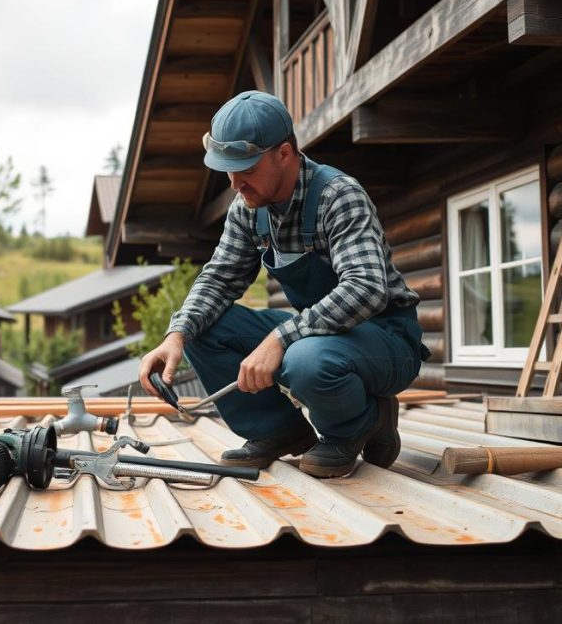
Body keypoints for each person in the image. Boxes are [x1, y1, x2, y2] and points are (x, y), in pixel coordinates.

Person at [138, 90, 429, 478]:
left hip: (387, 340)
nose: (235, 183)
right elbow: (219, 279)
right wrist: (176, 335)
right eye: (228, 169)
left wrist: (280, 339)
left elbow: (366, 288)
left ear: (285, 154)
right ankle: (280, 432)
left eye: (246, 168)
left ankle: (363, 422)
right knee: (205, 327)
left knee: (303, 359)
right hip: (321, 336)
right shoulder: (248, 209)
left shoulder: (338, 195)